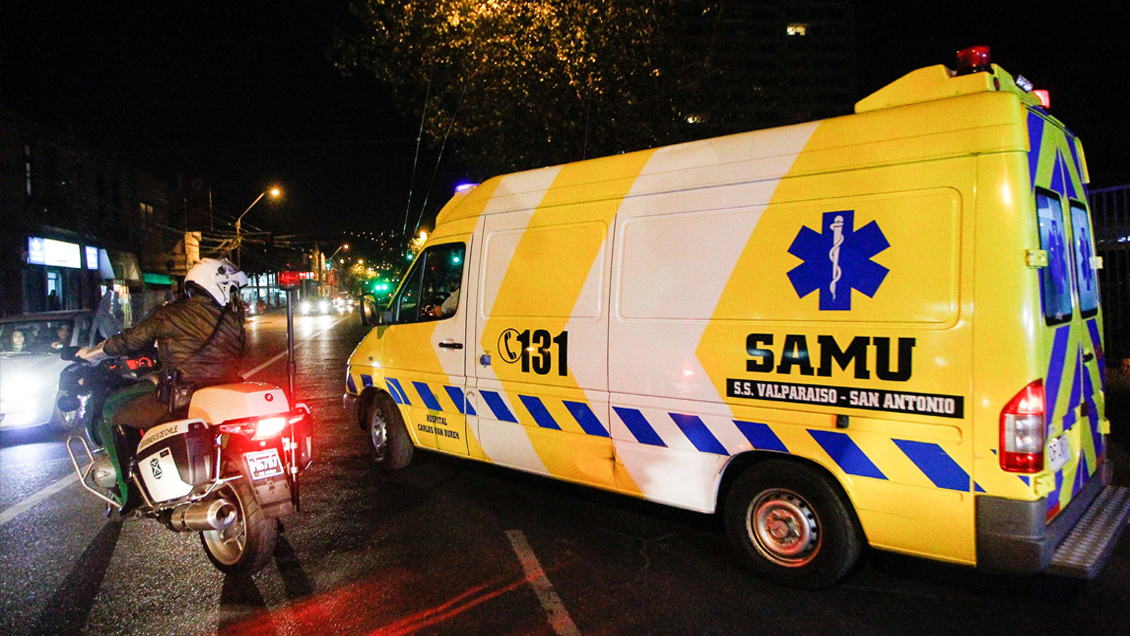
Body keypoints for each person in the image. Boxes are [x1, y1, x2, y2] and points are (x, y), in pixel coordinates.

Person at [76, 258, 248, 502]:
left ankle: (129, 492)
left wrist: (92, 354)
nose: (232, 294)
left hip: (183, 398)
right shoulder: (233, 320)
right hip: (224, 396)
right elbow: (241, 353)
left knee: (116, 416)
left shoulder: (169, 314)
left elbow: (127, 341)